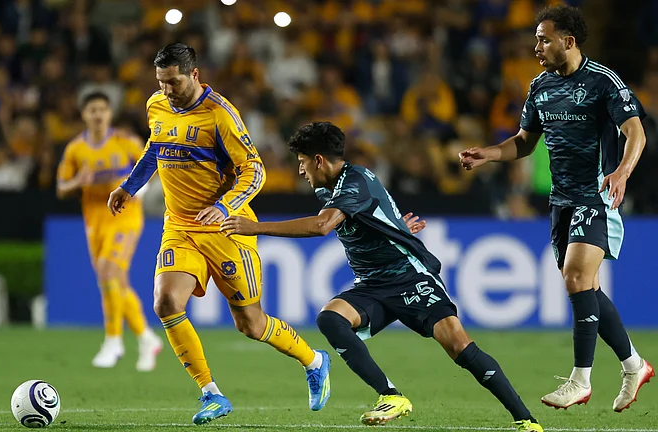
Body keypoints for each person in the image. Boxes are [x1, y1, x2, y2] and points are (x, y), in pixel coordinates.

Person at [221, 121, 543, 431]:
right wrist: (399, 227)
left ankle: (526, 420)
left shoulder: (354, 180)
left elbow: (321, 226)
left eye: (303, 162)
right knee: (331, 319)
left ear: (319, 160)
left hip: (409, 276)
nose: (301, 170)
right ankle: (391, 396)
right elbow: (378, 210)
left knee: (459, 346)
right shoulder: (330, 188)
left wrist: (254, 227)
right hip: (373, 285)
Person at [107, 43, 330, 425]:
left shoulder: (220, 115)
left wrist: (225, 207)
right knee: (165, 302)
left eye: (173, 82)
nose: (166, 90)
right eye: (160, 82)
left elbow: (254, 170)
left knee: (251, 324)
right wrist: (130, 186)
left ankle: (313, 360)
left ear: (194, 75)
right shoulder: (156, 105)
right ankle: (211, 394)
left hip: (225, 228)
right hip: (179, 226)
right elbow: (154, 148)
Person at [459, 4, 653, 411]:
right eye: (535, 38)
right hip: (560, 202)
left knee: (576, 276)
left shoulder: (602, 82)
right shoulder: (540, 86)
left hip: (596, 195)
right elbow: (525, 141)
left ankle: (580, 380)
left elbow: (636, 132)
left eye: (544, 39)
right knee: (585, 288)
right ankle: (634, 365)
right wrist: (489, 154)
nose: (537, 46)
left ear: (569, 40)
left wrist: (621, 173)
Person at [56, 92, 162, 372]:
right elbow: (60, 187)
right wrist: (78, 182)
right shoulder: (76, 150)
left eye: (103, 108)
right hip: (95, 221)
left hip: (125, 216)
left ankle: (114, 340)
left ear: (110, 113)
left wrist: (141, 189)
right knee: (115, 281)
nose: (98, 114)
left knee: (107, 270)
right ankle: (145, 336)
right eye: (92, 109)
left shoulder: (125, 142)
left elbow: (151, 164)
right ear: (84, 115)